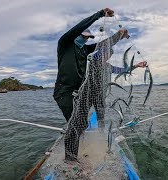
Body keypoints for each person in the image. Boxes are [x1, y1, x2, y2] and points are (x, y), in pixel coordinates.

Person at [53, 8, 147, 163]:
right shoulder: (64, 44)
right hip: (64, 91)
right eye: (83, 36)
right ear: (76, 35)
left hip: (80, 92)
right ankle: (70, 161)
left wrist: (120, 34)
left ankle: (76, 146)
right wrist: (100, 14)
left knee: (81, 123)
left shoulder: (85, 50)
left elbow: (104, 43)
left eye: (88, 38)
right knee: (75, 123)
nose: (85, 40)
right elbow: (78, 27)